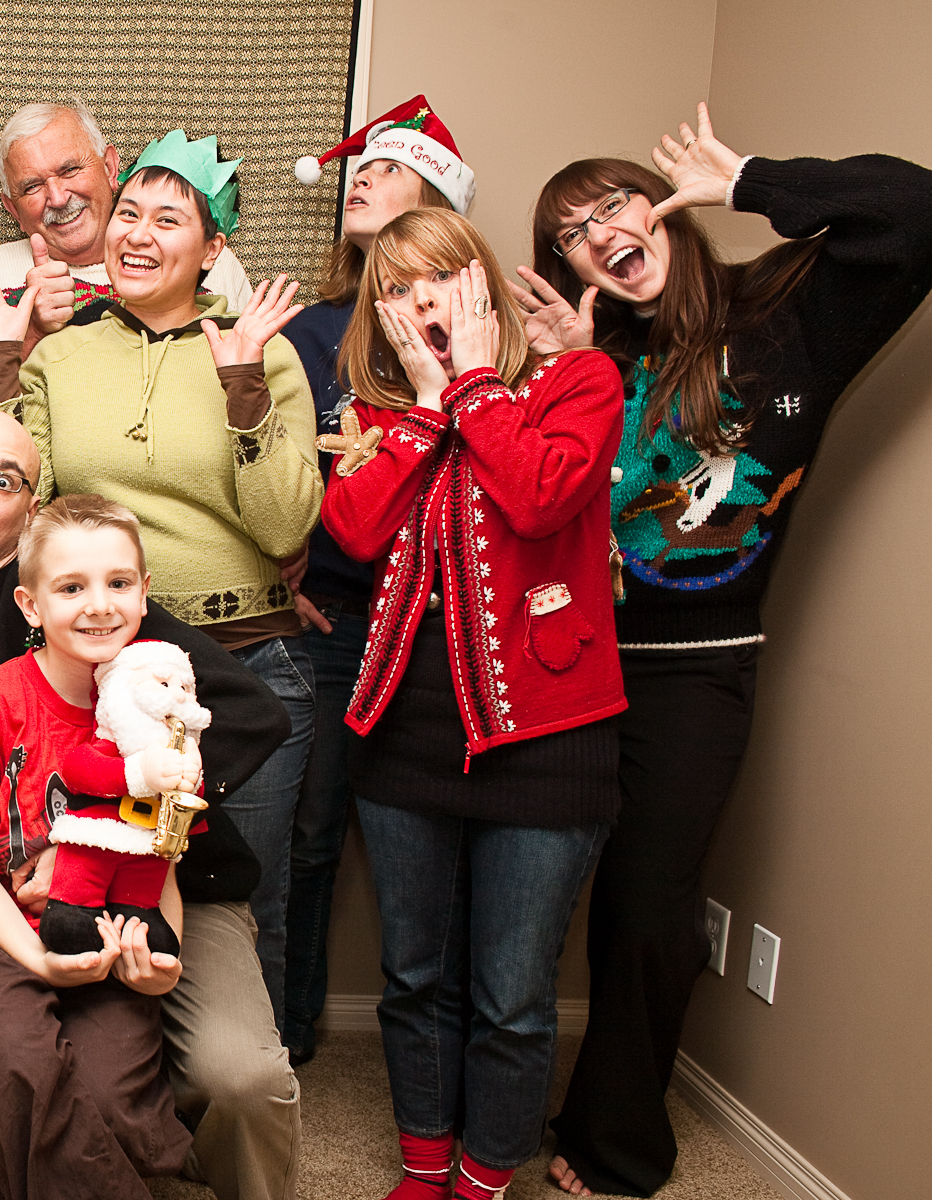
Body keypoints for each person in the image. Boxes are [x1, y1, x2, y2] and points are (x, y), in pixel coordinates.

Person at [513, 105, 932, 1199]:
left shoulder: (787, 314)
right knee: (542, 900)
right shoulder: (587, 352)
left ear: (659, 214)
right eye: (568, 233)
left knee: (651, 910)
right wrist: (557, 373)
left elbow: (920, 213)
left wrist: (747, 176)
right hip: (573, 657)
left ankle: (619, 1145)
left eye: (612, 204)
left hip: (699, 666)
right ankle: (523, 1108)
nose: (598, 233)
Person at [0, 409, 302, 1199]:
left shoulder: (125, 634)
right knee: (33, 1063)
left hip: (173, 887)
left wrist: (123, 827)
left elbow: (254, 719)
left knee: (225, 1080)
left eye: (2, 481)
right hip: (8, 908)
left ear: (27, 512)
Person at [0, 128, 321, 1025]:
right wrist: (2, 361)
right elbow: (20, 503)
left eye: (171, 218)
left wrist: (241, 380)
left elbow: (285, 524)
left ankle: (244, 1092)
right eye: (129, 212)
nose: (137, 233)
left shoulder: (263, 349)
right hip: (105, 669)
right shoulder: (62, 353)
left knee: (241, 903)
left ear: (214, 247)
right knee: (105, 884)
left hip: (245, 669)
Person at [321, 208, 626, 1200]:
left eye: (442, 275)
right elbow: (355, 530)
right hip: (404, 738)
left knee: (511, 995)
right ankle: (422, 1162)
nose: (422, 301)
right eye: (397, 287)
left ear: (482, 283)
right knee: (414, 978)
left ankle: (485, 1175)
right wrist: (421, 408)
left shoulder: (580, 381)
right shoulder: (379, 412)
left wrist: (474, 388)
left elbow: (541, 495)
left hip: (547, 743)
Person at [278, 95, 476, 1066]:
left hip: (440, 629)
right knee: (309, 835)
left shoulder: (471, 333)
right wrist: (284, 571)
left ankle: (444, 1056)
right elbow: (272, 476)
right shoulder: (306, 332)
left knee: (438, 847)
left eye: (389, 169)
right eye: (359, 168)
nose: (362, 174)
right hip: (330, 622)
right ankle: (289, 1032)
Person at [0, 494, 195, 1200]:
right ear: (29, 604)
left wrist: (165, 962)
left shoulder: (168, 720)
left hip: (115, 920)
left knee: (112, 1095)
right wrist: (37, 958)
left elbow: (159, 862)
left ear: (144, 593)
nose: (98, 605)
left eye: (117, 583)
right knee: (22, 1064)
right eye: (71, 587)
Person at [0, 100, 253, 339]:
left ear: (110, 168)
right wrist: (36, 331)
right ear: (13, 209)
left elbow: (257, 376)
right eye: (32, 187)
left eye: (70, 169)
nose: (59, 198)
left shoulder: (211, 260)